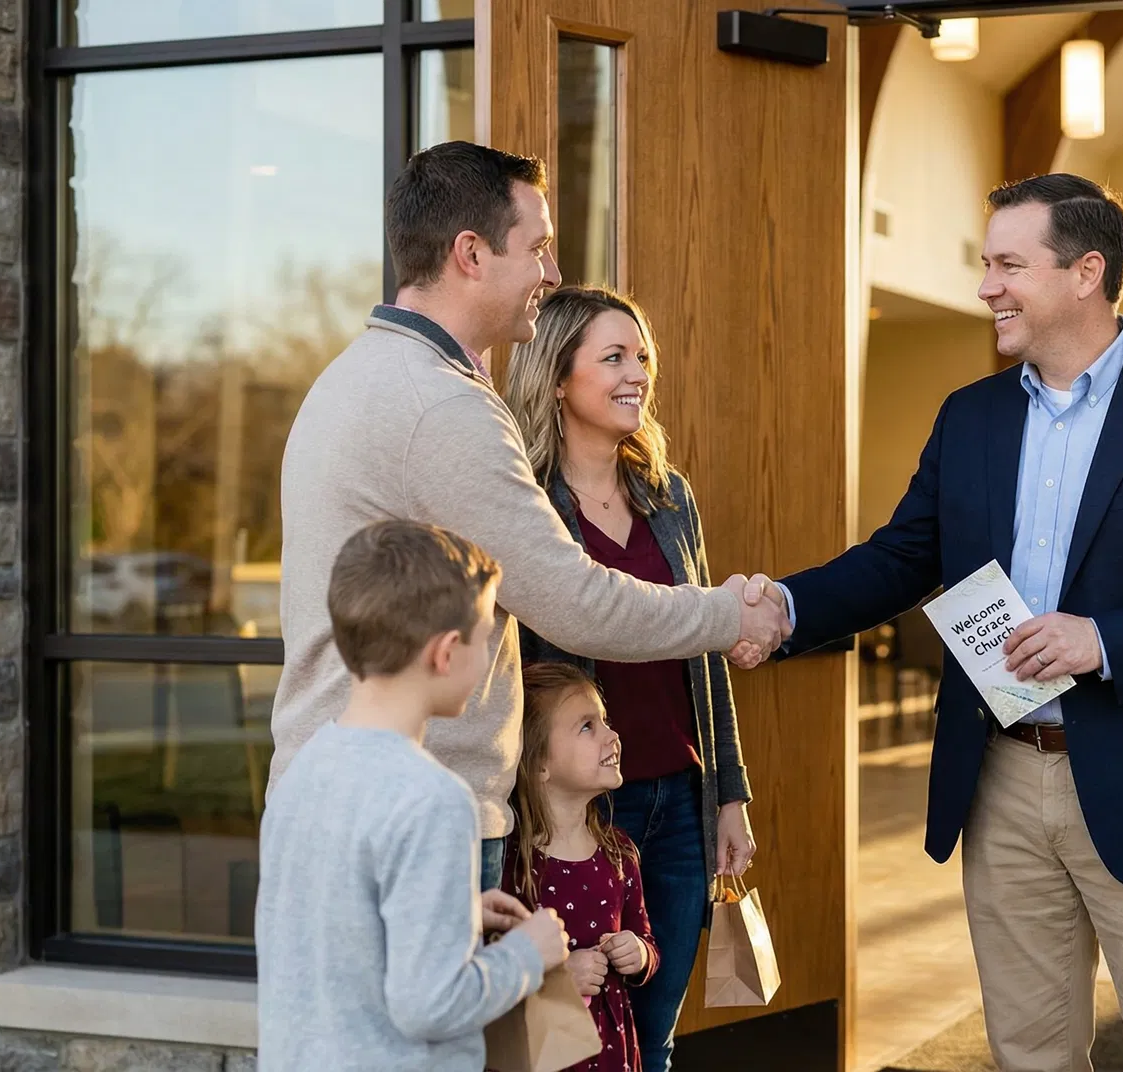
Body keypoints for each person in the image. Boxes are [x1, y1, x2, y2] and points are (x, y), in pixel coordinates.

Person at [766, 174, 1123, 1071]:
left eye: (1009, 264)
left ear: (1086, 272)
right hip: (1003, 778)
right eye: (986, 264)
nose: (986, 287)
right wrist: (783, 607)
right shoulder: (969, 417)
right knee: (1028, 1050)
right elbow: (904, 557)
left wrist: (1105, 639)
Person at [270, 141, 789, 892]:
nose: (551, 272)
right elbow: (570, 599)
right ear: (471, 254)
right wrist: (731, 614)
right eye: (538, 247)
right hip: (414, 815)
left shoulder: (361, 375)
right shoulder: (439, 405)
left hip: (352, 793)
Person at [502, 286, 754, 1072]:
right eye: (612, 357)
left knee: (657, 1032)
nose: (636, 372)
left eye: (641, 356)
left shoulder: (669, 498)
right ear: (556, 380)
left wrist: (730, 793)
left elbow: (705, 654)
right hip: (576, 807)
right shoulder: (529, 507)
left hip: (679, 802)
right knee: (567, 1032)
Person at [256, 520, 573, 1072]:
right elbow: (431, 1004)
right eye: (485, 637)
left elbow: (331, 930)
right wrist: (529, 953)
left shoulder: (303, 773)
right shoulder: (434, 800)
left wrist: (456, 914)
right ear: (447, 653)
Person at [506, 662, 659, 1072]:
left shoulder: (620, 852)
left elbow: (646, 939)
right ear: (539, 764)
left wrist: (640, 954)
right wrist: (557, 982)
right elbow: (492, 975)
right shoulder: (513, 864)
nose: (613, 735)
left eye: (605, 720)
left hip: (612, 1055)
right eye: (587, 727)